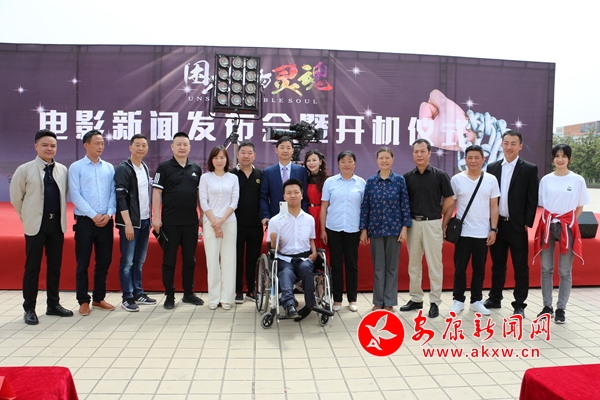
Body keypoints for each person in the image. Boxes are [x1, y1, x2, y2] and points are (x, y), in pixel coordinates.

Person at [10, 129, 74, 324]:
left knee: (54, 266)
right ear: (36, 146)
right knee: (32, 267)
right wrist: (28, 217)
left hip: (57, 224)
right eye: (45, 145)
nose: (49, 148)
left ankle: (53, 304)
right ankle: (29, 308)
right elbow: (16, 198)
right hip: (36, 225)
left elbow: (64, 194)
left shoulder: (62, 170)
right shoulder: (24, 169)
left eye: (53, 145)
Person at [483, 130, 539, 317]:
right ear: (501, 144)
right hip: (498, 225)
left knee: (520, 267)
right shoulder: (492, 168)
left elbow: (532, 199)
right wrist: (491, 223)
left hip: (517, 225)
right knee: (497, 265)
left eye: (513, 143)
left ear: (520, 146)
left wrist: (526, 223)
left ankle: (519, 304)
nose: (509, 147)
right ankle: (495, 298)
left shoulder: (529, 169)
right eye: (506, 143)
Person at [534, 144, 589, 324]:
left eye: (564, 156)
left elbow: (579, 207)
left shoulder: (577, 180)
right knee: (546, 268)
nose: (560, 159)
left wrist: (567, 221)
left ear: (569, 159)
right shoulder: (546, 180)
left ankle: (561, 309)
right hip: (548, 226)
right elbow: (542, 204)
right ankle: (547, 307)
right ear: (553, 158)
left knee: (565, 270)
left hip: (567, 227)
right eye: (557, 156)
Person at [401, 139, 454, 319]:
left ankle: (435, 302)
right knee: (414, 264)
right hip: (413, 224)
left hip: (432, 223)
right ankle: (416, 298)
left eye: (423, 151)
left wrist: (439, 215)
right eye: (416, 151)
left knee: (434, 264)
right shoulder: (407, 177)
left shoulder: (440, 175)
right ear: (413, 154)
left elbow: (449, 199)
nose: (419, 155)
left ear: (430, 153)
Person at [152, 132, 204, 309]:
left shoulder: (196, 168)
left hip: (190, 223)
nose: (182, 147)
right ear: (172, 147)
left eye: (185, 144)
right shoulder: (164, 167)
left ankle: (188, 293)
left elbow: (199, 194)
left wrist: (202, 215)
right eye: (178, 144)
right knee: (169, 261)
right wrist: (156, 217)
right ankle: (169, 295)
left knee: (190, 260)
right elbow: (157, 192)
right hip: (170, 223)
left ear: (190, 147)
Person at [68, 129, 117, 316]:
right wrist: (93, 215)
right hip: (85, 222)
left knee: (104, 261)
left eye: (102, 143)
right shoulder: (76, 167)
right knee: (83, 262)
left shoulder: (109, 168)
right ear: (86, 145)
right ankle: (83, 300)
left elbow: (113, 193)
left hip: (106, 221)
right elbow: (75, 195)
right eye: (97, 143)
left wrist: (109, 213)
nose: (100, 146)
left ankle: (98, 298)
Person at [449, 144, 500, 316]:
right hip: (462, 233)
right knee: (460, 269)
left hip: (482, 232)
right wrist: (443, 225)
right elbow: (451, 204)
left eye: (477, 157)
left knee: (479, 269)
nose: (473, 161)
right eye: (469, 157)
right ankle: (458, 300)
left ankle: (476, 301)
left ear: (483, 159)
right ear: (465, 159)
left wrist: (493, 229)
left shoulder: (491, 180)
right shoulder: (456, 179)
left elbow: (494, 206)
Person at [360, 146, 411, 311]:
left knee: (392, 267)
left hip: (394, 230)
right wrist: (364, 229)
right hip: (375, 230)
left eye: (387, 158)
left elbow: (405, 205)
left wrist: (405, 228)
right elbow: (365, 207)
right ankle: (378, 301)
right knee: (378, 267)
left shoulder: (399, 181)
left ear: (392, 159)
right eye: (381, 158)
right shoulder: (370, 182)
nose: (384, 161)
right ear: (377, 160)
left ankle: (389, 302)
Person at [114, 134, 156, 312]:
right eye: (137, 145)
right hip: (130, 223)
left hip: (144, 221)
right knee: (128, 262)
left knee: (139, 261)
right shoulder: (124, 168)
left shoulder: (144, 166)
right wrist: (128, 223)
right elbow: (121, 197)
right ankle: (127, 297)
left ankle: (138, 292)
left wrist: (150, 217)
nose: (141, 148)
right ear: (130, 148)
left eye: (144, 145)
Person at [320, 150, 365, 312]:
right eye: (343, 161)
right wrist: (323, 229)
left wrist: (364, 230)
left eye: (350, 161)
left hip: (353, 229)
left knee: (352, 264)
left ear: (355, 164)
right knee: (336, 264)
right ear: (338, 164)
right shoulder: (330, 182)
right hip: (333, 228)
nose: (347, 164)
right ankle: (337, 299)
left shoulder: (361, 183)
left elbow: (364, 209)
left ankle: (352, 299)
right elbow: (324, 207)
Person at [268, 178, 317, 320]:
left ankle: (310, 304)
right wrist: (274, 239)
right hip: (284, 258)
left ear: (302, 195)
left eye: (296, 192)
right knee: (285, 272)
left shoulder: (309, 219)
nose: (293, 195)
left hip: (304, 257)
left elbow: (311, 239)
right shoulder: (276, 220)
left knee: (306, 268)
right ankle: (289, 303)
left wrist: (314, 252)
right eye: (288, 193)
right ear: (284, 196)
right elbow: (275, 249)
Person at [200, 146, 239, 310]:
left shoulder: (233, 178)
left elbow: (234, 201)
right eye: (216, 158)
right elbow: (203, 201)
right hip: (210, 223)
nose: (219, 160)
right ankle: (214, 298)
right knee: (212, 261)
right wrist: (215, 223)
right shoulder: (205, 178)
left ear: (227, 159)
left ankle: (227, 298)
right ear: (211, 160)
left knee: (229, 260)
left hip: (229, 223)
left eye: (222, 157)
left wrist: (222, 220)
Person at [230, 142, 263, 304]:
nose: (246, 156)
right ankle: (237, 290)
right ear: (237, 154)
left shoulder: (260, 175)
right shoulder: (231, 175)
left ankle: (251, 289)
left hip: (256, 224)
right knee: (236, 258)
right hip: (235, 224)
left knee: (253, 258)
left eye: (250, 153)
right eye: (243, 152)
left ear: (254, 156)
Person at [260, 136, 308, 225]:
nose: (285, 151)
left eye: (288, 148)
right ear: (276, 150)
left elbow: (304, 196)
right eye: (282, 147)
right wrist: (266, 216)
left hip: (296, 217)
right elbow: (264, 197)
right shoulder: (268, 172)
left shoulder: (301, 171)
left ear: (292, 150)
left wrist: (303, 215)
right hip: (275, 217)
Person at [304, 149, 328, 248]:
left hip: (322, 214)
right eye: (308, 160)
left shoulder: (327, 180)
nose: (311, 163)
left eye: (314, 160)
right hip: (307, 213)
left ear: (320, 162)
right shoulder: (304, 178)